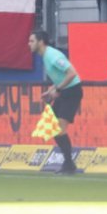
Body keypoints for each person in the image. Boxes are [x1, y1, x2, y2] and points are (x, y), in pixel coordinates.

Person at [30, 30, 82, 174]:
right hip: (64, 91)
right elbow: (61, 76)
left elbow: (71, 73)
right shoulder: (45, 56)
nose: (29, 44)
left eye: (32, 41)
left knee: (59, 128)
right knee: (52, 127)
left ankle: (69, 164)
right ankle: (69, 163)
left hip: (72, 92)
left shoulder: (52, 56)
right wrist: (52, 89)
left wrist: (57, 89)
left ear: (41, 42)